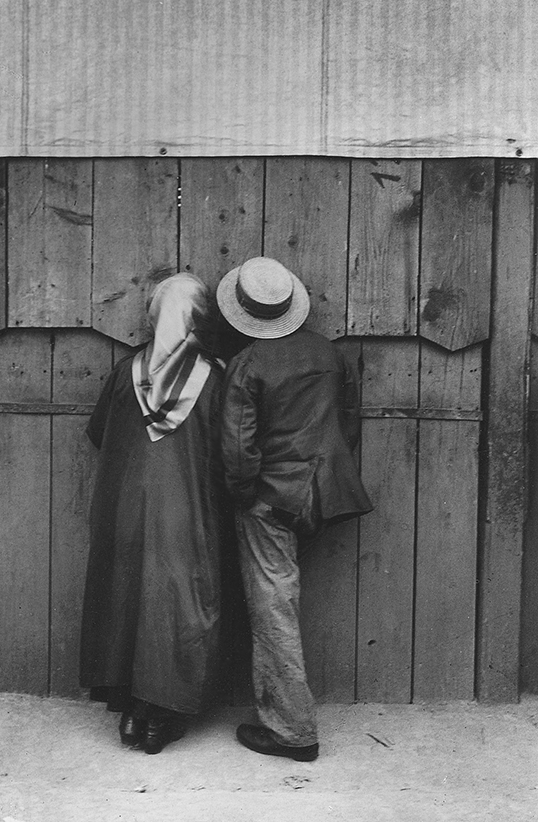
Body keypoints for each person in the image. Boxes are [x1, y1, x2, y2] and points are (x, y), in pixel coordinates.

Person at [217, 257, 373, 762]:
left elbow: (237, 449)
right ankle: (286, 717)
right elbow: (348, 426)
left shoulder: (248, 363)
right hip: (322, 495)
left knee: (273, 608)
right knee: (280, 599)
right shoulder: (329, 353)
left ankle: (293, 732)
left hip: (273, 498)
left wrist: (246, 498)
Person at [79, 272, 225, 754]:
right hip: (187, 510)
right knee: (177, 602)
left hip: (125, 508)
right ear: (200, 315)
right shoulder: (214, 375)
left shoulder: (127, 372)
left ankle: (127, 715)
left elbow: (100, 432)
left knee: (126, 595)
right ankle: (159, 717)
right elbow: (231, 450)